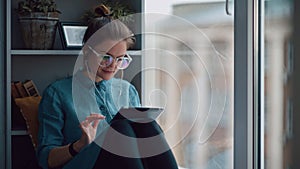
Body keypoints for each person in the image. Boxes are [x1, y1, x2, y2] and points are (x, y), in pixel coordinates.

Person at [37, 4, 178, 169]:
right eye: (106, 57)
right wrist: (79, 144)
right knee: (121, 128)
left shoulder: (127, 90)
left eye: (120, 59)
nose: (113, 66)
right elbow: (46, 160)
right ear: (87, 50)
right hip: (85, 165)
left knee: (147, 125)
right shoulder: (57, 94)